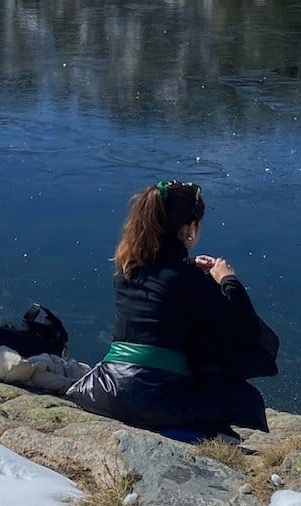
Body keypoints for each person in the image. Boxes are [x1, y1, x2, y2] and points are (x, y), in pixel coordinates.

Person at [66, 180, 277, 436]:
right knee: (239, 393)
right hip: (154, 400)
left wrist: (188, 266)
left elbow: (163, 288)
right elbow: (245, 329)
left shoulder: (127, 269)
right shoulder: (191, 280)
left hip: (105, 389)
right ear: (190, 228)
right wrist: (227, 281)